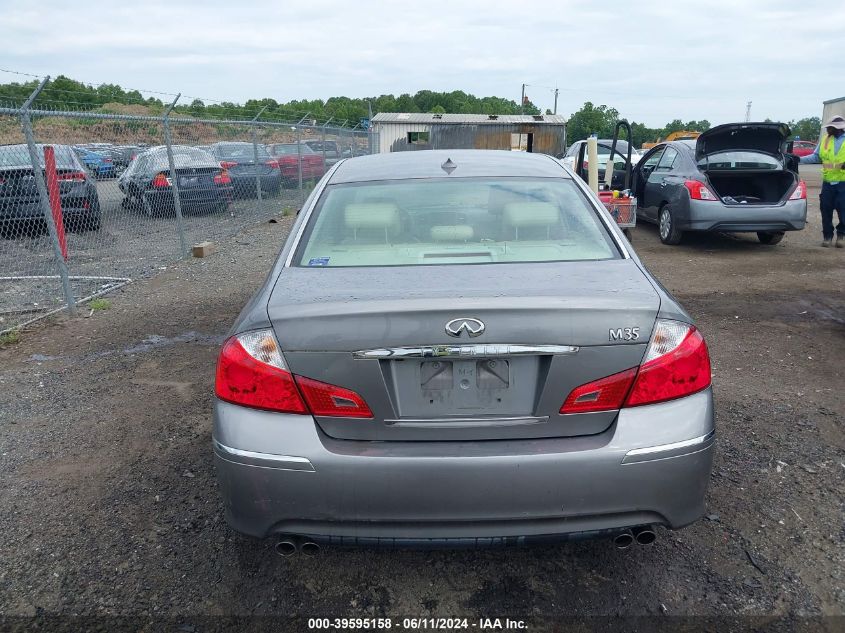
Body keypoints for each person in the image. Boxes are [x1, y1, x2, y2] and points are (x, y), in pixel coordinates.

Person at [800, 115, 845, 247]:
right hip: (828, 182)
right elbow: (815, 157)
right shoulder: (825, 140)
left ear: (838, 128)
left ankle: (841, 235)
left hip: (843, 182)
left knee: (843, 211)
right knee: (825, 210)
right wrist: (799, 159)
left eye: (830, 127)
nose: (827, 130)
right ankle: (827, 236)